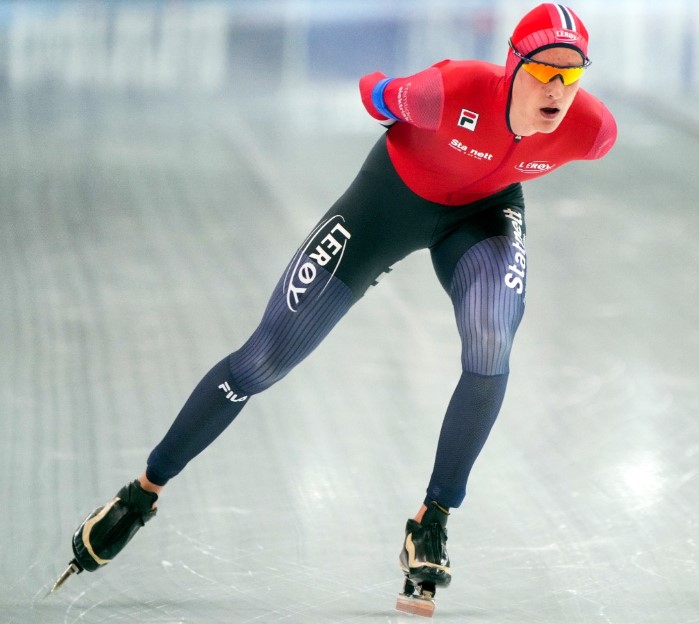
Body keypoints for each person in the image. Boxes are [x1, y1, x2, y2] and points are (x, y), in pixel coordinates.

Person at [54, 2, 616, 615]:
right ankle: (142, 493)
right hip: (386, 204)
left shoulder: (591, 131)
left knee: (491, 339)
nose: (557, 89)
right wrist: (392, 101)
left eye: (572, 74)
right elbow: (372, 92)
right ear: (512, 68)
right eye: (544, 71)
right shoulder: (448, 91)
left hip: (481, 214)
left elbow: (557, 126)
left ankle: (432, 520)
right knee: (261, 362)